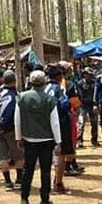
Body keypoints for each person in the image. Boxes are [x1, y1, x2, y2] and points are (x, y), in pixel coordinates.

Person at [15, 70, 62, 204]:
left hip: (28, 139)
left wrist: (18, 137)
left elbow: (17, 120)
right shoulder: (50, 100)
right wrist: (58, 142)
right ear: (44, 83)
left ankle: (24, 198)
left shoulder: (21, 98)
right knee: (45, 171)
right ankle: (44, 200)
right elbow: (55, 123)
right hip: (46, 140)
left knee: (27, 169)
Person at [45, 64, 79, 195]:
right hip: (60, 123)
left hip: (44, 123)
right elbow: (65, 105)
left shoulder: (42, 87)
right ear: (59, 76)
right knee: (61, 153)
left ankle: (49, 181)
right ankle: (58, 183)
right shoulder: (61, 88)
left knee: (48, 153)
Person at [0, 70, 24, 191]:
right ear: (15, 81)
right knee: (18, 156)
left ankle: (7, 182)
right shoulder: (17, 96)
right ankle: (19, 180)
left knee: (3, 157)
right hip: (12, 130)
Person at [77, 67, 99, 148]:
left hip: (92, 105)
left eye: (90, 75)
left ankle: (94, 140)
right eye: (87, 74)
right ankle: (79, 140)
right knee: (81, 123)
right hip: (82, 105)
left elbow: (96, 95)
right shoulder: (79, 83)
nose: (88, 76)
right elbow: (78, 95)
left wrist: (96, 104)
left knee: (94, 123)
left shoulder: (94, 84)